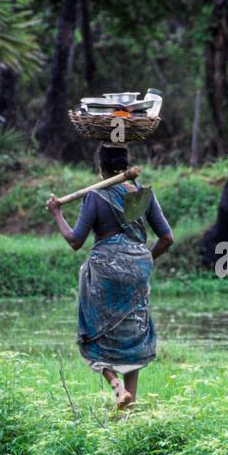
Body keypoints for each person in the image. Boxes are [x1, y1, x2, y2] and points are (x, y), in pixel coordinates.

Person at [46, 145, 174, 410]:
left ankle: (116, 387)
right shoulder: (142, 194)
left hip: (104, 270)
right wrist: (144, 258)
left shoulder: (95, 195)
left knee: (93, 330)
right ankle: (131, 400)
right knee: (133, 331)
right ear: (127, 167)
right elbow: (167, 238)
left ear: (101, 169)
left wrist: (57, 213)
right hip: (138, 268)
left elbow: (75, 241)